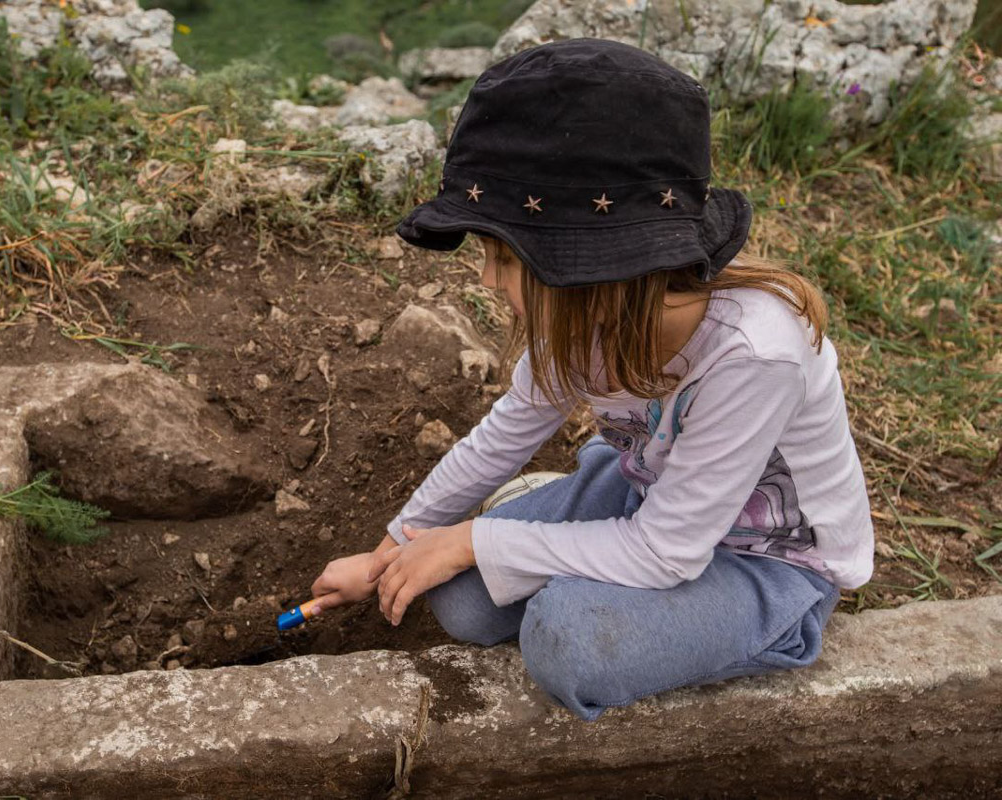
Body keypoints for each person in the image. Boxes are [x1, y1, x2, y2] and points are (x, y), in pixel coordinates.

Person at [308, 38, 874, 721]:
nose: (487, 277)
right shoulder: (585, 321)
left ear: (595, 265)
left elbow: (667, 554)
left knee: (569, 641)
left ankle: (770, 629)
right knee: (456, 597)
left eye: (505, 256)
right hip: (642, 496)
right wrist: (391, 549)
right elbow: (501, 438)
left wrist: (473, 540)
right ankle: (582, 546)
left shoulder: (757, 354)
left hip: (768, 564)